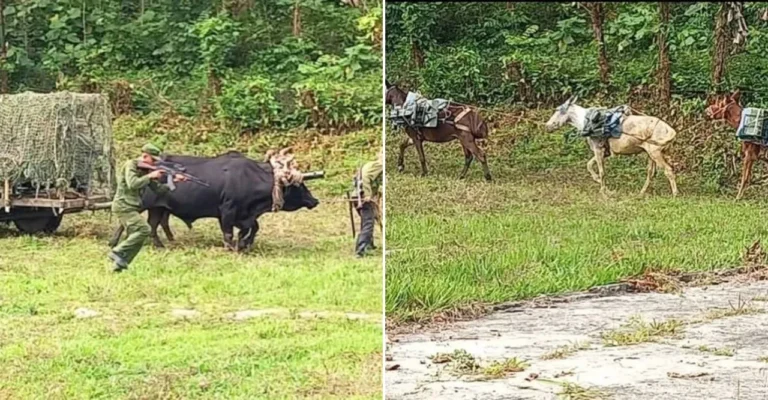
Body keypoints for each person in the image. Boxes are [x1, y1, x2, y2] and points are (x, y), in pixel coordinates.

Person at [108, 143, 187, 272]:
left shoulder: (145, 171)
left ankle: (121, 262)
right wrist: (150, 176)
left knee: (138, 235)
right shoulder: (131, 165)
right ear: (145, 156)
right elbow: (133, 184)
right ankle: (118, 251)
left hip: (131, 206)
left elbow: (159, 191)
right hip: (123, 205)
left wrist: (174, 181)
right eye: (153, 160)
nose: (155, 164)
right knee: (144, 229)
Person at [354, 151, 383, 258]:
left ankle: (370, 245)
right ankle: (360, 250)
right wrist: (368, 194)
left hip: (357, 195)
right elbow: (366, 177)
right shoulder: (380, 165)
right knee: (368, 223)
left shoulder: (370, 164)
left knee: (367, 220)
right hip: (364, 197)